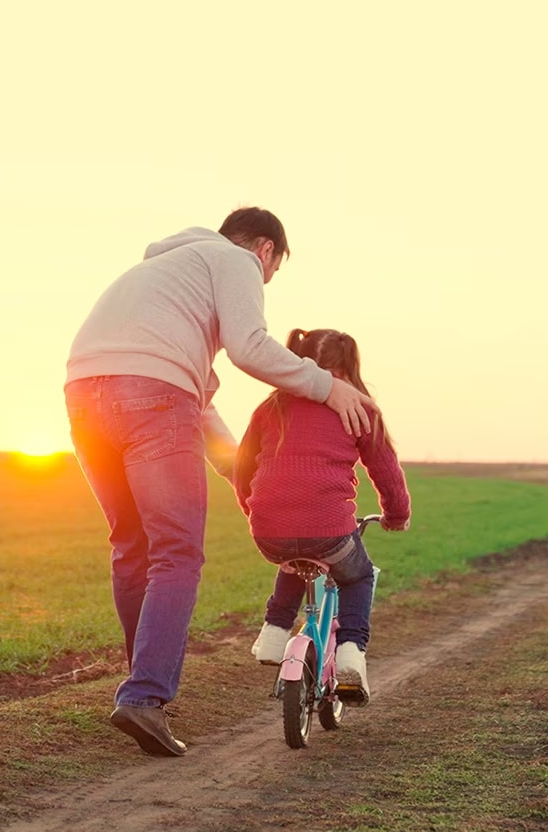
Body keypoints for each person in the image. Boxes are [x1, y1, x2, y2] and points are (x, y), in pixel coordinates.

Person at [65, 208, 374, 757]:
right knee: (176, 553)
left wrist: (234, 465)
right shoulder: (234, 260)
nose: (264, 283)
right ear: (265, 250)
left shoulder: (164, 275)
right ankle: (144, 696)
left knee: (131, 545)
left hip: (84, 393)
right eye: (271, 273)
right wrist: (329, 387)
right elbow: (249, 346)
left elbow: (196, 397)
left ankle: (141, 689)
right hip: (154, 398)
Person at [233, 328, 411, 706]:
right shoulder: (360, 408)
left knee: (293, 558)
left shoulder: (270, 408)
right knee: (358, 575)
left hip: (268, 528)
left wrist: (254, 509)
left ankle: (274, 632)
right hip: (329, 530)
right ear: (350, 365)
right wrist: (397, 515)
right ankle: (351, 652)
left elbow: (242, 468)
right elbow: (386, 470)